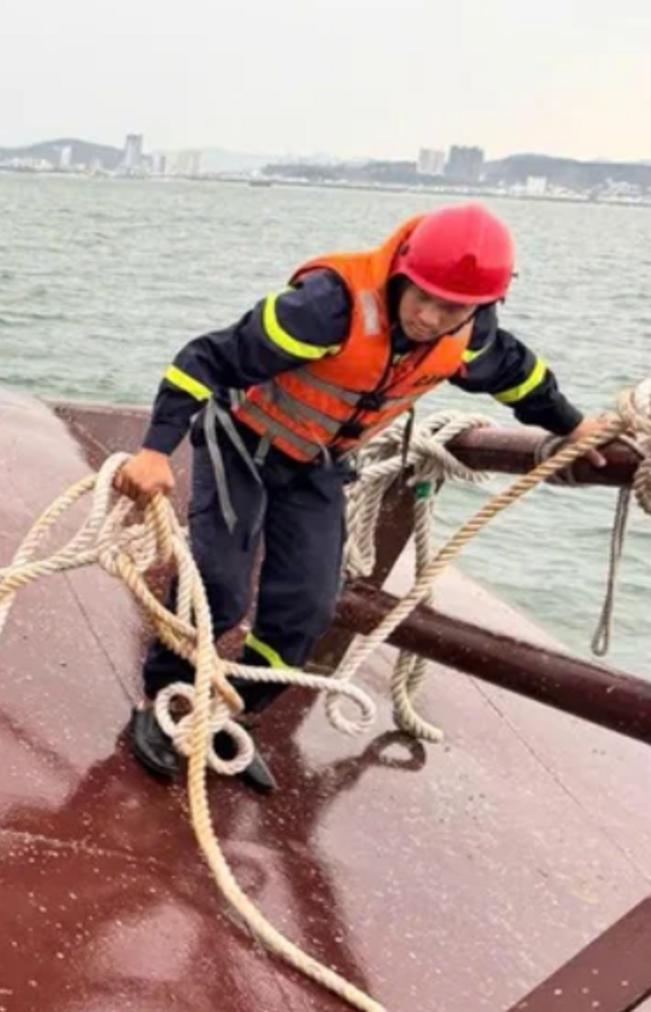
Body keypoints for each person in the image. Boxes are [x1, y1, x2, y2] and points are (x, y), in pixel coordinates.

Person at [115, 204, 608, 795]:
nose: (430, 317)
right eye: (422, 296)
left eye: (452, 307)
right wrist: (154, 450)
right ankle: (163, 701)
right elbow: (205, 359)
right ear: (401, 271)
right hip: (243, 440)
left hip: (316, 464)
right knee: (217, 584)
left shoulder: (471, 338)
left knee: (307, 606)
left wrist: (574, 427)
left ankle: (233, 714)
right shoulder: (325, 308)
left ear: (484, 306)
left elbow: (523, 380)